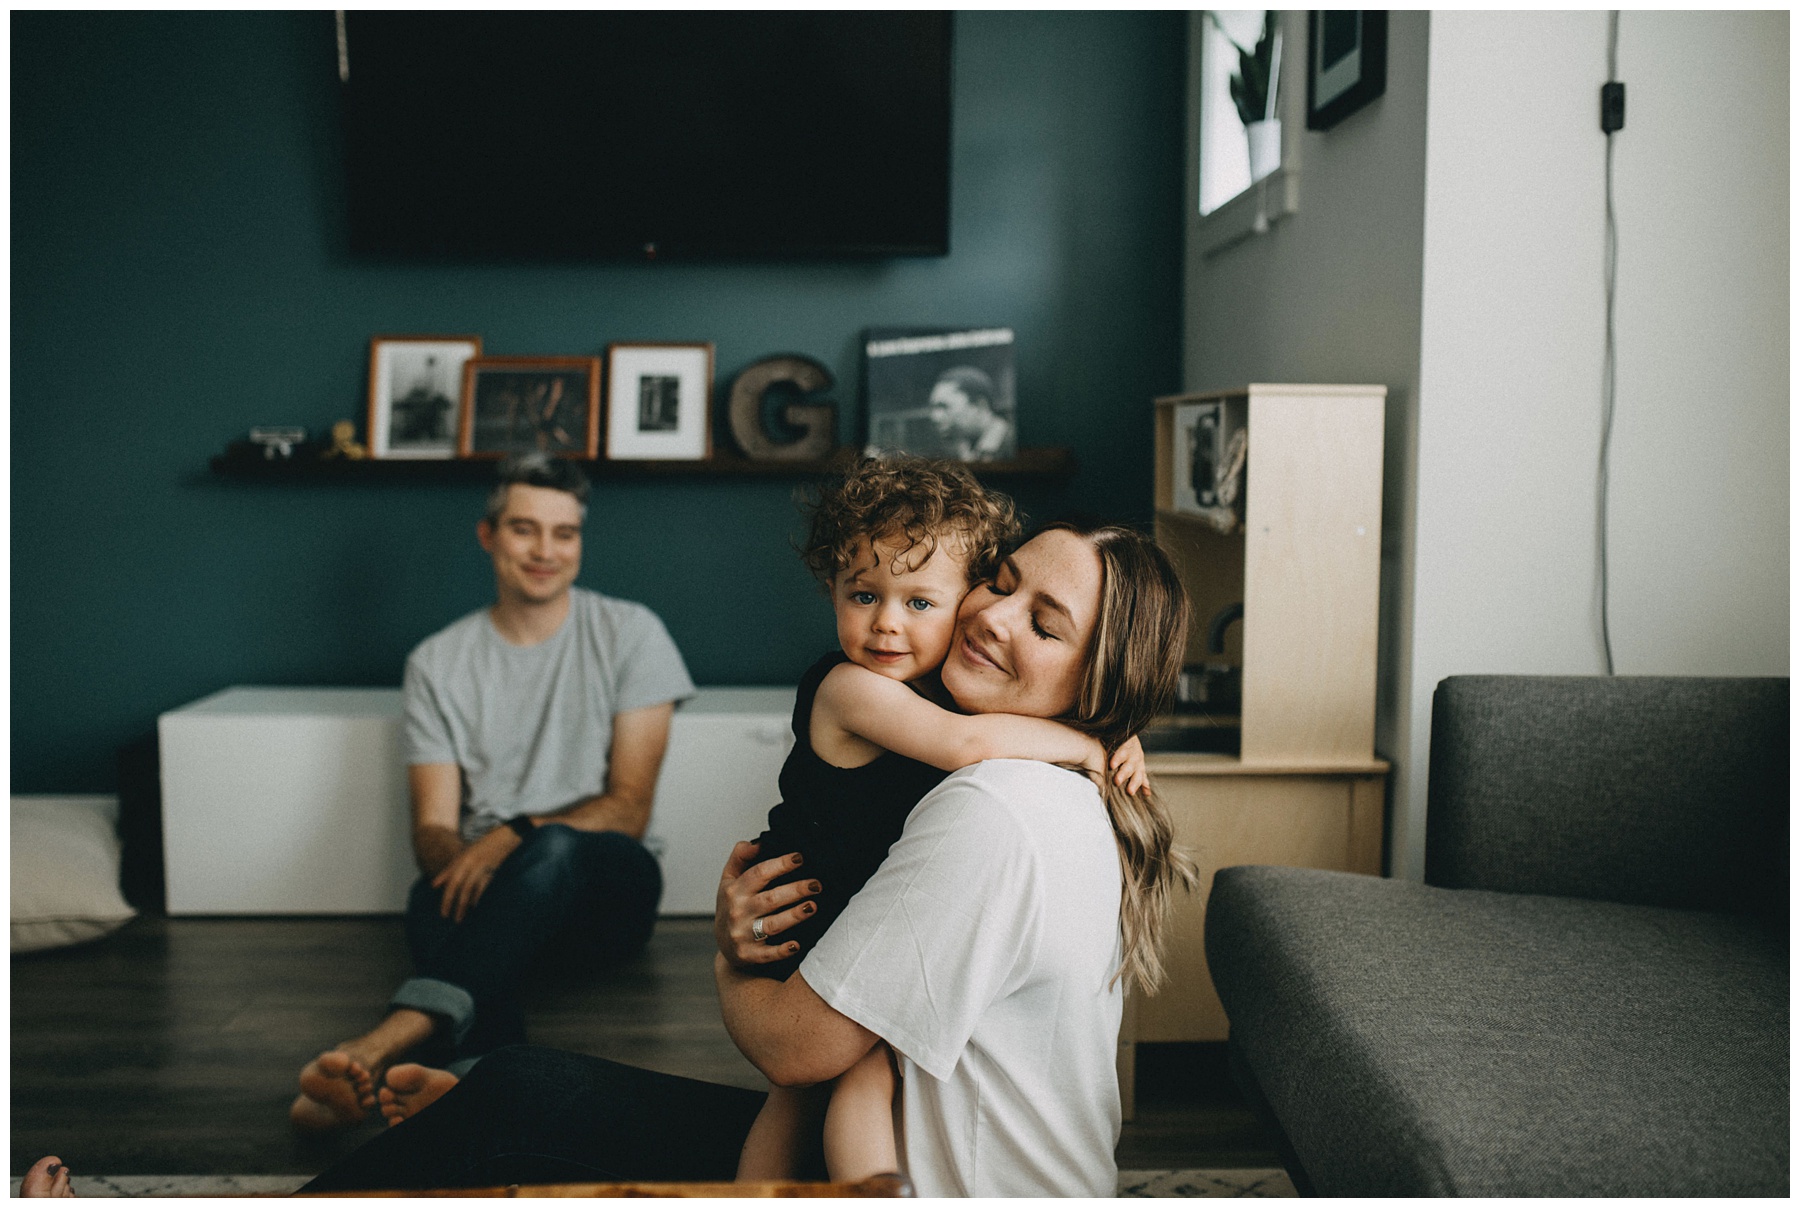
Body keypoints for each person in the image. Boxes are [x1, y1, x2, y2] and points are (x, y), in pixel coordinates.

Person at [292, 518, 1196, 1197]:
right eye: (996, 581)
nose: (990, 615)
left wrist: (731, 953)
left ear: (1100, 686)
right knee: (518, 1086)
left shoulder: (998, 804)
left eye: (1044, 624)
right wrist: (1101, 739)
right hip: (914, 1142)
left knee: (515, 1110)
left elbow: (797, 1049)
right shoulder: (1060, 778)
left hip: (929, 1180)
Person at [732, 459, 1148, 1184]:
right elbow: (965, 745)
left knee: (848, 1082)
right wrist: (1094, 739)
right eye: (863, 595)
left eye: (920, 602)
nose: (887, 622)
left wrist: (1115, 727)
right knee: (801, 1097)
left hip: (843, 916)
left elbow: (973, 744)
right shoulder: (852, 687)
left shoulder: (999, 801)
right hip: (812, 900)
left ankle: (871, 1185)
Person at [288, 452, 695, 1132]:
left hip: (605, 896)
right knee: (435, 888)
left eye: (564, 533)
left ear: (579, 542)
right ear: (489, 536)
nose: (546, 550)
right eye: (524, 529)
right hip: (495, 900)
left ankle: (385, 1039)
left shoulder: (631, 633)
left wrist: (513, 833)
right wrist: (459, 858)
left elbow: (627, 806)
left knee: (557, 844)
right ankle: (480, 1081)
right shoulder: (438, 662)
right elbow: (434, 827)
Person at [926, 366, 1013, 462]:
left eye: (944, 406)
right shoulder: (963, 449)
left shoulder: (1011, 443)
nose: (934, 417)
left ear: (979, 405)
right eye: (933, 408)